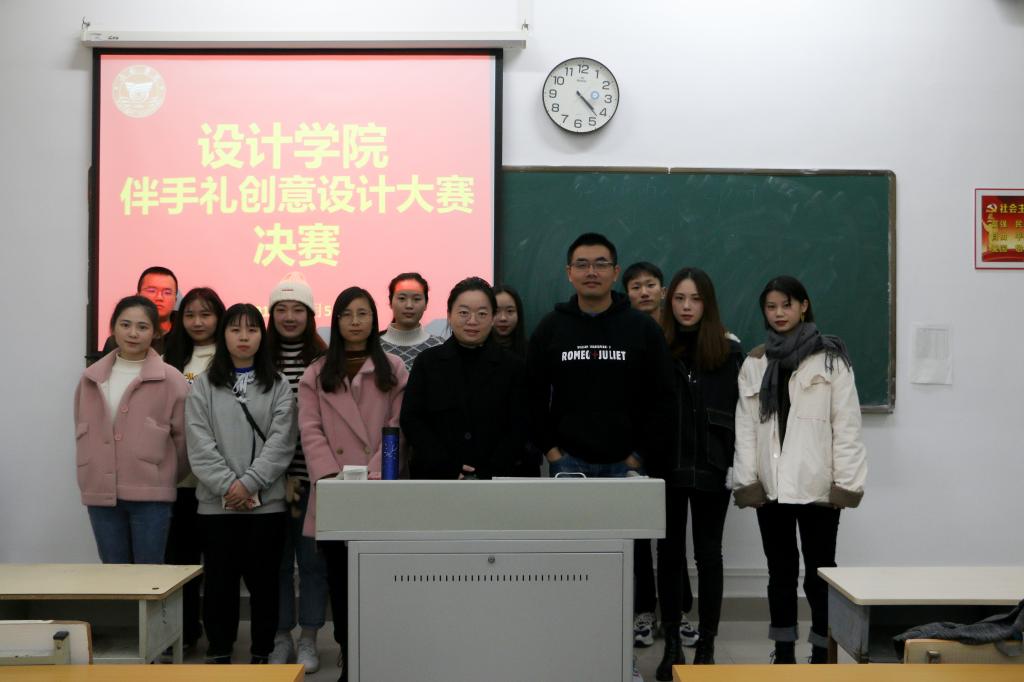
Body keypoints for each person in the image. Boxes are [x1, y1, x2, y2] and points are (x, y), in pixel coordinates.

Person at [732, 275, 867, 664]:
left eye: (786, 305)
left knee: (820, 573)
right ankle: (784, 651)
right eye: (771, 307)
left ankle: (823, 651)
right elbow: (746, 428)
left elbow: (847, 426)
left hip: (818, 487)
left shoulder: (831, 360)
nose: (779, 313)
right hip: (771, 488)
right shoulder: (755, 362)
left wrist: (846, 485)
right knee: (780, 573)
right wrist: (748, 482)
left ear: (803, 306)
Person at [298, 287, 408, 680]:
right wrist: (333, 478)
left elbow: (398, 426)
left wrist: (373, 476)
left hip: (379, 491)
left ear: (374, 319)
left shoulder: (393, 368)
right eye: (347, 314)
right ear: (337, 320)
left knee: (379, 582)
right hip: (334, 493)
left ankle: (379, 658)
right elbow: (310, 429)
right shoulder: (317, 372)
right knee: (341, 583)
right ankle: (349, 653)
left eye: (363, 314)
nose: (355, 322)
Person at [186, 303, 296, 664]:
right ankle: (219, 650)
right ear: (224, 335)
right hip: (216, 505)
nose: (244, 337)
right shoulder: (204, 385)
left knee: (264, 583)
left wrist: (249, 483)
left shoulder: (278, 384)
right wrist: (228, 486)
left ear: (263, 335)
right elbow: (198, 442)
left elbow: (282, 442)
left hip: (267, 505)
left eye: (252, 329)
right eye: (235, 329)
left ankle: (262, 651)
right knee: (219, 583)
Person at [652, 268, 743, 677]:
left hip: (712, 465)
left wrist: (736, 463)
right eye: (679, 299)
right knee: (669, 555)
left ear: (708, 304)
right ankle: (672, 643)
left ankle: (706, 645)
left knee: (709, 556)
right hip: (666, 466)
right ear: (669, 302)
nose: (687, 307)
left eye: (696, 299)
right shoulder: (656, 347)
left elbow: (743, 414)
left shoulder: (729, 352)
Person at [527, 233, 675, 478]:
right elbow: (532, 395)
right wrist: (552, 451)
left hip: (628, 465)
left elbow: (664, 397)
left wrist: (638, 456)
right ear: (569, 273)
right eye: (582, 265)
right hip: (568, 463)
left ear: (615, 272)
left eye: (601, 264)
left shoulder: (643, 328)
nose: (591, 272)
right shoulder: (550, 328)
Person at [74, 295, 189, 564]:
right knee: (114, 577)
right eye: (125, 325)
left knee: (149, 576)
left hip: (152, 497)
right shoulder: (91, 378)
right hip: (101, 495)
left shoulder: (171, 379)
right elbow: (82, 430)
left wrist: (162, 474)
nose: (133, 333)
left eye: (142, 327)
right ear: (113, 327)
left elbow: (184, 442)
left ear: (156, 332)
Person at [621, 262, 699, 653]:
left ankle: (677, 611)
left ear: (663, 291)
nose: (644, 292)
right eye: (636, 286)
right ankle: (642, 612)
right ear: (626, 293)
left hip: (670, 448)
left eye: (650, 285)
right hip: (630, 451)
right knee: (636, 536)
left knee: (671, 535)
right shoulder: (621, 332)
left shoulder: (679, 335)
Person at [402, 277, 532, 480]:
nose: (472, 321)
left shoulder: (513, 367)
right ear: (449, 315)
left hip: (496, 480)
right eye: (464, 313)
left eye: (482, 314)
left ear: (492, 317)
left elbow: (520, 424)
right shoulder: (428, 362)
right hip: (437, 478)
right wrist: (446, 465)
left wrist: (489, 470)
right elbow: (411, 419)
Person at [264, 273, 330, 672]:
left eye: (298, 309)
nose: (289, 317)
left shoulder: (323, 361)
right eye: (281, 309)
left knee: (312, 564)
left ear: (309, 314)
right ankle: (280, 637)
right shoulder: (260, 359)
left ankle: (309, 637)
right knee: (275, 564)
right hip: (269, 480)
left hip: (312, 478)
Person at [162, 286, 226, 649]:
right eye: (190, 315)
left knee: (218, 564)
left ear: (219, 317)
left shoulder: (231, 355)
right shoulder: (167, 359)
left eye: (206, 314)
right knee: (179, 563)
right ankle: (184, 633)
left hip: (219, 479)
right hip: (178, 479)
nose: (198, 322)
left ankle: (218, 637)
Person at [102, 266, 180, 354]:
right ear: (138, 295)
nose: (159, 297)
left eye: (167, 292)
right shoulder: (118, 341)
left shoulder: (186, 336)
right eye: (152, 291)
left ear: (175, 300)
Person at [379, 272, 444, 370]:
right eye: (402, 298)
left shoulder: (440, 346)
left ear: (426, 304)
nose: (409, 305)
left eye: (416, 299)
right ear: (390, 302)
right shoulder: (373, 346)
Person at [492, 284, 527, 358]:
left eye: (510, 311)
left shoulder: (531, 351)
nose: (503, 318)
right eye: (496, 311)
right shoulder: (477, 351)